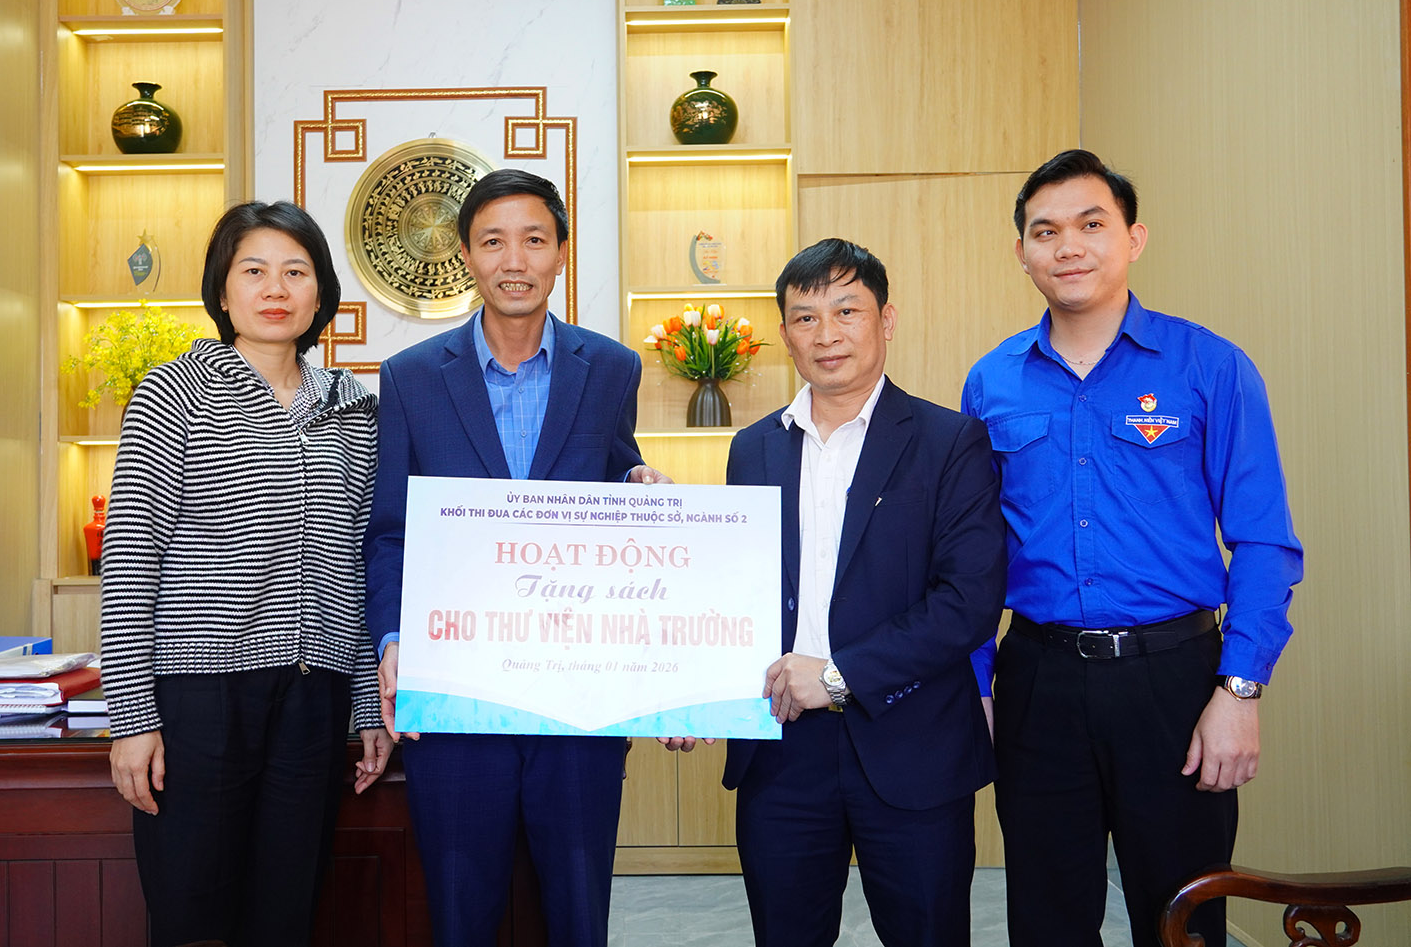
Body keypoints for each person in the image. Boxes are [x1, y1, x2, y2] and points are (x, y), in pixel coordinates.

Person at [961, 149, 1303, 947]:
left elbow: (1263, 539)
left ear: (1134, 238)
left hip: (1175, 680)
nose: (1068, 246)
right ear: (1021, 252)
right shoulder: (991, 381)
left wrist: (1240, 689)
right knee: (1046, 917)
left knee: (1181, 914)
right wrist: (978, 685)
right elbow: (973, 552)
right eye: (1045, 231)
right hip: (1038, 679)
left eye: (1091, 224)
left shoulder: (1210, 366)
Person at [362, 168, 669, 946]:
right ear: (466, 255)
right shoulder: (409, 378)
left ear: (561, 252)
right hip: (456, 695)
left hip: (579, 698)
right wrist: (393, 639)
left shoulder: (612, 368)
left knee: (578, 912)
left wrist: (637, 486)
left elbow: (613, 478)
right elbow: (391, 530)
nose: (515, 259)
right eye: (493, 241)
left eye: (534, 239)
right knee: (461, 913)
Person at [101, 201, 393, 947]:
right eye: (254, 270)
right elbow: (130, 561)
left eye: (296, 272)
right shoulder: (173, 393)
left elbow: (361, 562)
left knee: (286, 913)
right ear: (223, 291)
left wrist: (367, 704)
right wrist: (132, 719)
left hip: (314, 697)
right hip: (200, 697)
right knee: (192, 913)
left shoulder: (354, 410)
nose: (275, 288)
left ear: (320, 293)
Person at [716, 238, 1007, 946]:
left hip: (912, 743)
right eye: (806, 317)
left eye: (847, 310)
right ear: (785, 334)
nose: (827, 334)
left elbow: (968, 601)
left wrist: (837, 675)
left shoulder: (950, 440)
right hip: (782, 749)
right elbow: (737, 592)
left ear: (887, 319)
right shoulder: (752, 448)